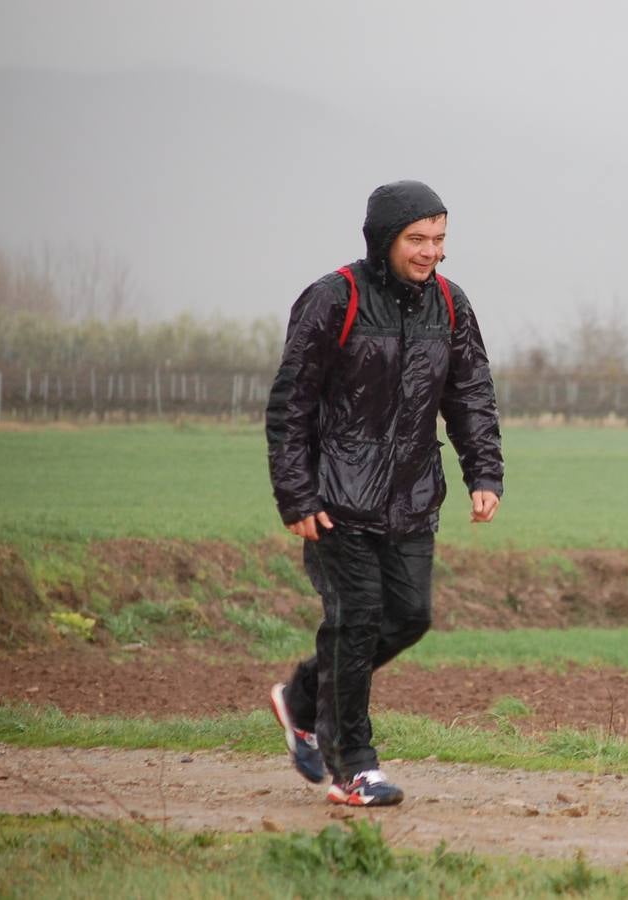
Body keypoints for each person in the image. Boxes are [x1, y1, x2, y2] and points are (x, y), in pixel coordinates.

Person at [264, 179, 504, 807]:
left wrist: (485, 472)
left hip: (412, 496)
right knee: (357, 620)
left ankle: (302, 699)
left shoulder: (450, 305)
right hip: (335, 499)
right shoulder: (332, 299)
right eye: (417, 239)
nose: (431, 252)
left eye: (439, 239)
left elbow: (470, 393)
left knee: (409, 617)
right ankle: (354, 767)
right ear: (382, 240)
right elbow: (292, 405)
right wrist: (296, 495)